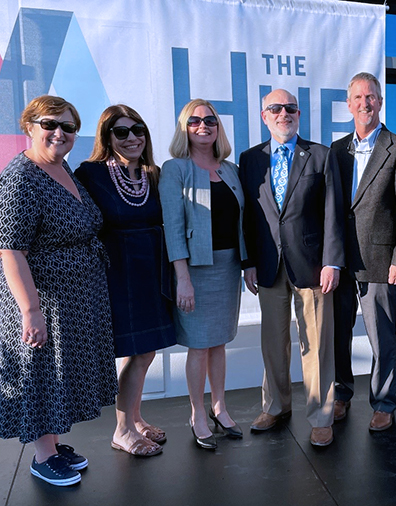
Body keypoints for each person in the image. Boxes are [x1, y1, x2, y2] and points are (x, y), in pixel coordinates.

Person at [0, 95, 117, 486]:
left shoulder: (62, 169)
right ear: (29, 127)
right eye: (49, 124)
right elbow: (8, 249)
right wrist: (31, 310)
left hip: (70, 299)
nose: (59, 133)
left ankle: (53, 444)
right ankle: (43, 457)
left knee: (58, 371)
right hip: (39, 298)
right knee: (42, 370)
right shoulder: (21, 177)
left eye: (69, 127)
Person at [240, 88, 343, 447]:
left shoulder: (320, 155)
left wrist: (332, 261)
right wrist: (249, 262)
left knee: (316, 345)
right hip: (268, 266)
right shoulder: (250, 159)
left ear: (299, 114)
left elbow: (333, 212)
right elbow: (249, 217)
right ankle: (276, 406)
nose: (284, 114)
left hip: (313, 267)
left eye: (290, 108)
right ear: (264, 116)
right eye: (275, 109)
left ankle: (320, 416)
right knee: (273, 342)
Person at [75, 105, 176, 457]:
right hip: (115, 273)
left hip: (151, 269)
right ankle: (122, 430)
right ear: (106, 136)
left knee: (145, 351)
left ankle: (134, 417)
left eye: (138, 130)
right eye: (121, 132)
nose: (132, 137)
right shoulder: (90, 173)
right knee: (138, 350)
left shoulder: (154, 173)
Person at [330, 72, 396, 431]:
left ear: (380, 103)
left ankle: (383, 402)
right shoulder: (337, 151)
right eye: (358, 98)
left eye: (371, 97)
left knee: (382, 337)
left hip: (382, 261)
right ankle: (340, 394)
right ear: (349, 104)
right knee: (339, 334)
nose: (365, 103)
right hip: (340, 262)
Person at [160, 99, 247, 450]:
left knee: (219, 342)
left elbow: (242, 223)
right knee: (198, 346)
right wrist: (182, 277)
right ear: (185, 127)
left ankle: (219, 407)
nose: (203, 125)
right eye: (194, 121)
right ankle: (197, 413)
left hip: (227, 268)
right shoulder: (175, 168)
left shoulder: (231, 169)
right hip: (194, 270)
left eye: (209, 120)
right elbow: (173, 228)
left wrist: (247, 263)